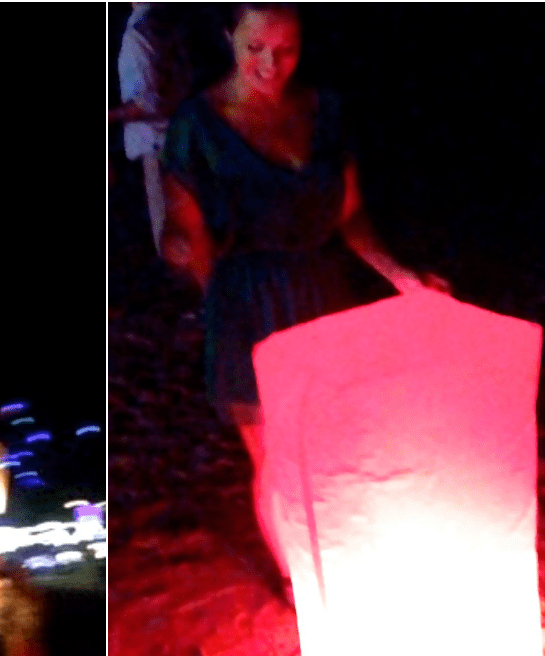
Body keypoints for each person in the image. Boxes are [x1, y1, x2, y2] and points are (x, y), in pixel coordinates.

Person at [159, 3, 449, 598]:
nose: (271, 64)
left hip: (322, 293)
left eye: (285, 49)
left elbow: (350, 216)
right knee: (275, 454)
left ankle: (341, 549)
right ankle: (298, 578)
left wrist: (403, 278)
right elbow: (183, 227)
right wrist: (186, 257)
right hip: (248, 303)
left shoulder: (324, 110)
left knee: (337, 440)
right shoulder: (197, 125)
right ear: (228, 37)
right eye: (254, 48)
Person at [109, 3, 195, 255]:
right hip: (180, 142)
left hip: (155, 147)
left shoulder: (138, 33)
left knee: (168, 237)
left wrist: (110, 116)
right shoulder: (167, 24)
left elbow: (149, 102)